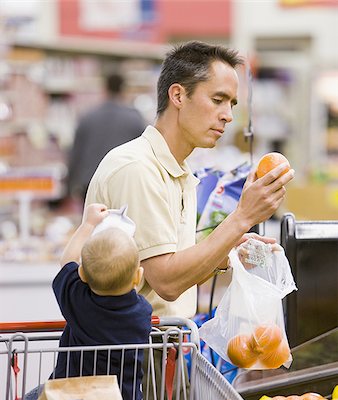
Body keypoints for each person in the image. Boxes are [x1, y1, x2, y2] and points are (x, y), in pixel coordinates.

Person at [85, 41, 295, 320]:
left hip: (164, 347)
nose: (228, 116)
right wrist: (243, 216)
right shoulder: (137, 168)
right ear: (178, 96)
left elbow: (179, 268)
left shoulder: (180, 172)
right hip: (127, 355)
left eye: (231, 104)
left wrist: (228, 252)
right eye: (217, 100)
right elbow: (167, 282)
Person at [23, 203, 152, 400]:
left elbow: (67, 262)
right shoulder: (142, 313)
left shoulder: (77, 301)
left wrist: (88, 225)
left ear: (82, 274)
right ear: (137, 278)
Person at [67, 72, 145, 202]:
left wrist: (69, 186)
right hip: (123, 184)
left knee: (93, 221)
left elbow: (76, 154)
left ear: (105, 89)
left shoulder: (87, 117)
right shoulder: (135, 118)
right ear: (123, 89)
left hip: (91, 183)